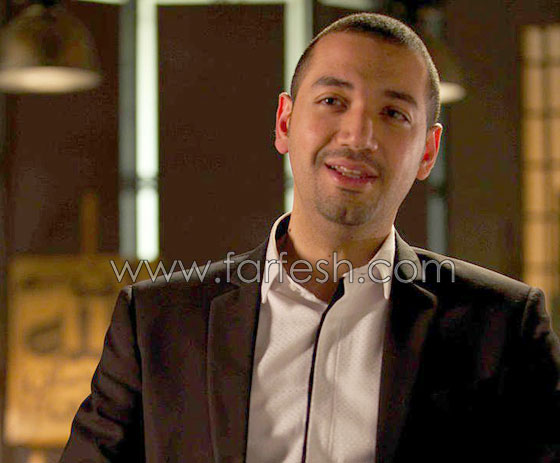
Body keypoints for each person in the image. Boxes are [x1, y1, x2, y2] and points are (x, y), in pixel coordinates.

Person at [60, 12, 560, 463]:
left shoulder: (503, 329)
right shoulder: (155, 323)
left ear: (428, 151)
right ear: (285, 122)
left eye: (393, 113)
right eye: (332, 101)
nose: (358, 136)